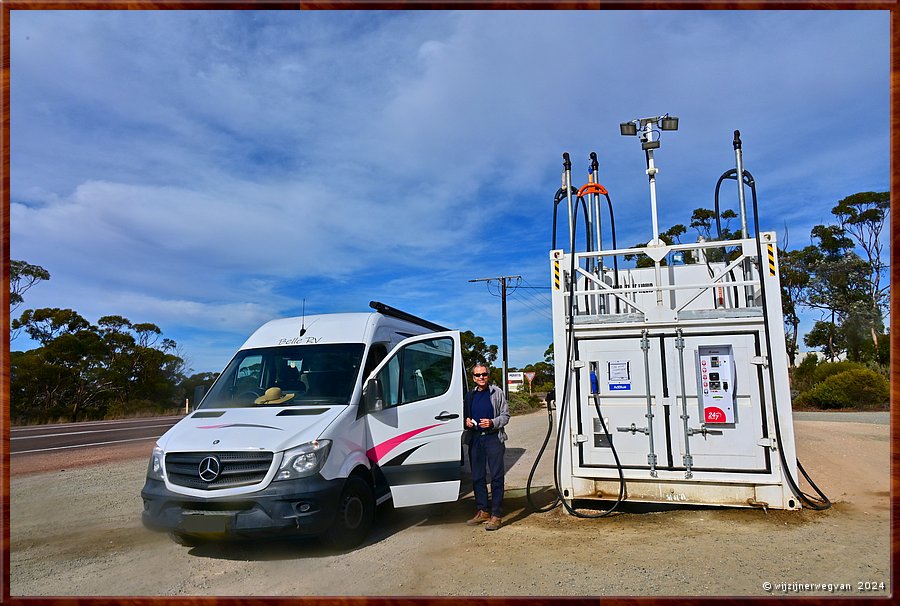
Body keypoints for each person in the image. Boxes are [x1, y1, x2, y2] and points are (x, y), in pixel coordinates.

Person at [463, 363, 510, 531]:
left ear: (488, 375)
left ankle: (496, 514)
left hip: (493, 439)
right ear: (473, 378)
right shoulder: (470, 396)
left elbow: (505, 416)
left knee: (496, 477)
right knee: (477, 477)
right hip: (476, 439)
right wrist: (467, 422)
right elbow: (466, 417)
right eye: (477, 375)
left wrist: (492, 422)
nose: (481, 377)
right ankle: (483, 511)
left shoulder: (497, 393)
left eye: (484, 374)